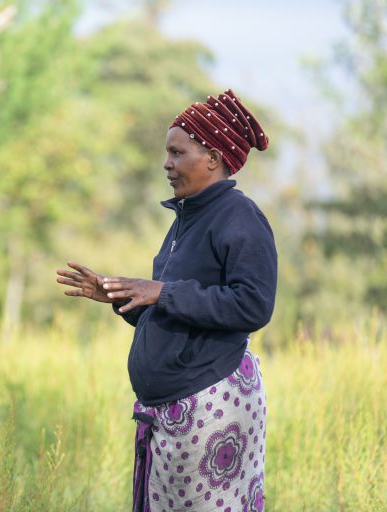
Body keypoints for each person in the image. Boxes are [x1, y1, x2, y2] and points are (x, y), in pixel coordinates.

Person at [57, 89, 276, 512]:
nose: (167, 164)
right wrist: (121, 299)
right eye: (167, 153)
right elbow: (178, 310)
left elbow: (254, 305)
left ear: (212, 157)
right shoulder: (187, 219)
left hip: (213, 408)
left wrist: (163, 291)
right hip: (176, 415)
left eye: (177, 153)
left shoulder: (239, 216)